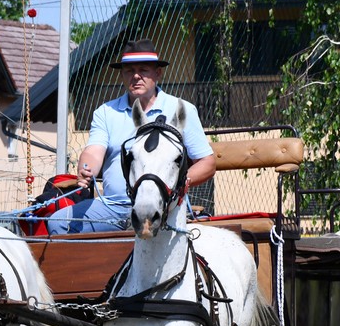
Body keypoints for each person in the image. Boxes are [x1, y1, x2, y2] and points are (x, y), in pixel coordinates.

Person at [46, 38, 216, 235]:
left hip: (166, 205)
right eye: (129, 71)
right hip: (115, 207)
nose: (136, 76)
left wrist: (180, 184)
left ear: (157, 73)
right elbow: (94, 151)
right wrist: (86, 168)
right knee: (58, 222)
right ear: (122, 75)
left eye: (143, 70)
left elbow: (207, 163)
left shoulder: (181, 109)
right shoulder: (106, 112)